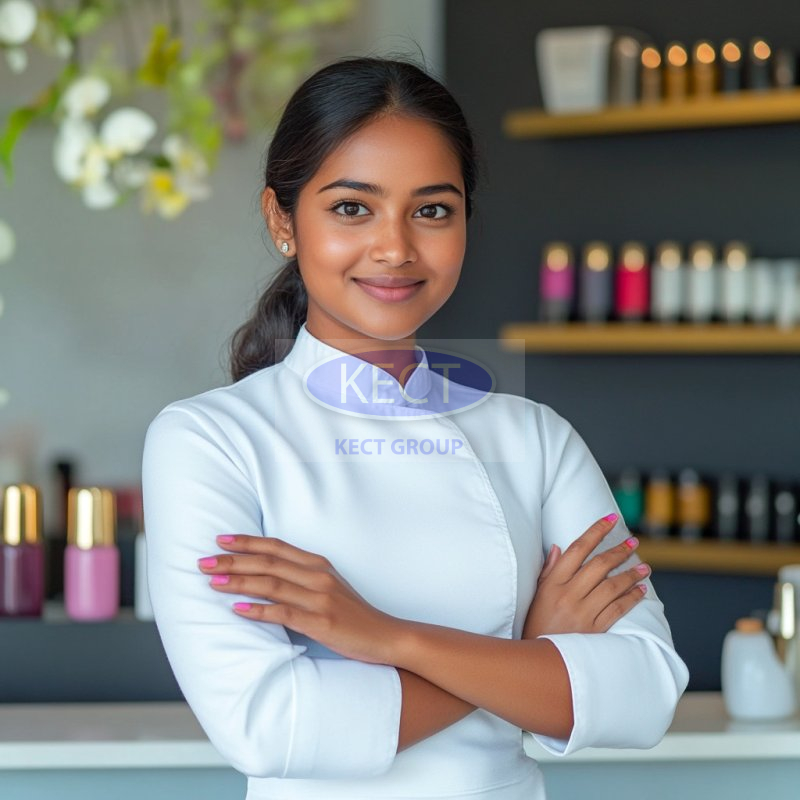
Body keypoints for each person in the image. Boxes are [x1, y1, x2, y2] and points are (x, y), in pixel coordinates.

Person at [141, 55, 689, 800]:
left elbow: (645, 691)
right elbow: (272, 726)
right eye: (351, 208)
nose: (396, 248)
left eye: (432, 209)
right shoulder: (211, 441)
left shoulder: (533, 439)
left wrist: (389, 637)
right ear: (282, 220)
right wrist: (525, 651)